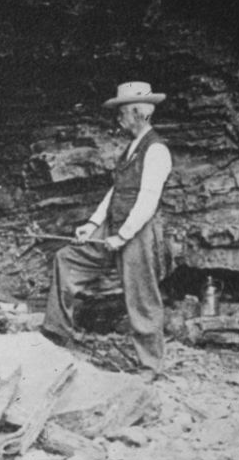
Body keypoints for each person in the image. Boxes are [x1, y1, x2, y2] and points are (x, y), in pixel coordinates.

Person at [40, 82, 173, 382]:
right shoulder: (131, 149)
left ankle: (149, 366)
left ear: (140, 113)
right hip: (113, 225)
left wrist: (123, 236)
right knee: (67, 257)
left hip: (137, 232)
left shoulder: (157, 150)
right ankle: (56, 333)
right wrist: (91, 225)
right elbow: (115, 192)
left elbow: (148, 200)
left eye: (123, 112)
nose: (119, 119)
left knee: (141, 296)